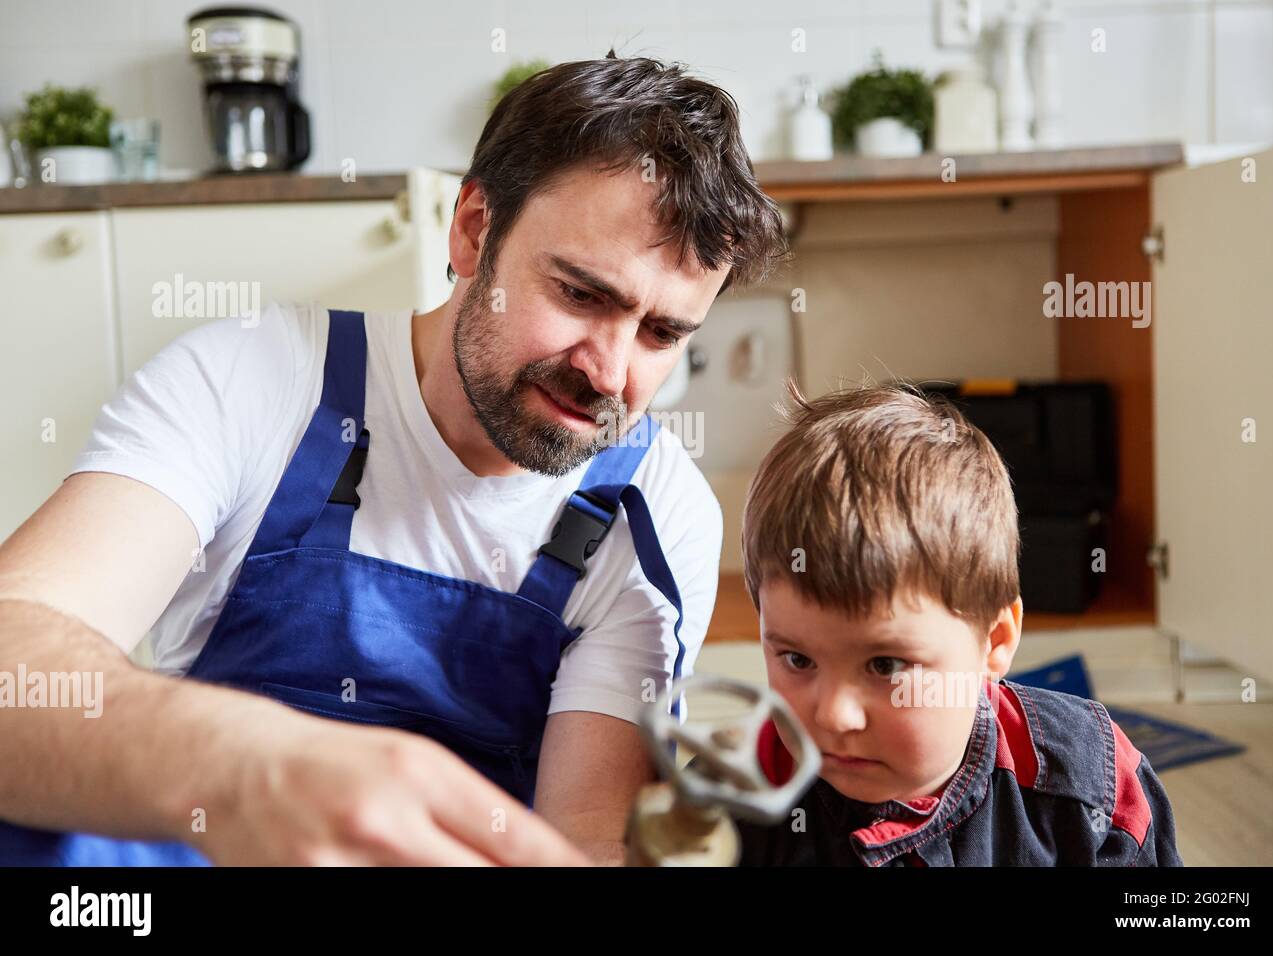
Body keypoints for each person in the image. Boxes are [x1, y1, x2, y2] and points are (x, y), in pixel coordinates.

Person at [0, 54, 789, 866]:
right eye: (582, 295)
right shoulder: (255, 377)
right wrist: (247, 770)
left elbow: (580, 841)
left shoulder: (654, 509)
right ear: (474, 230)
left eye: (661, 334)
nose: (611, 374)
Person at [733, 384, 1182, 866]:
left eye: (885, 665)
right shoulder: (729, 806)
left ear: (995, 640)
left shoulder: (1093, 787)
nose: (835, 716)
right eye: (798, 659)